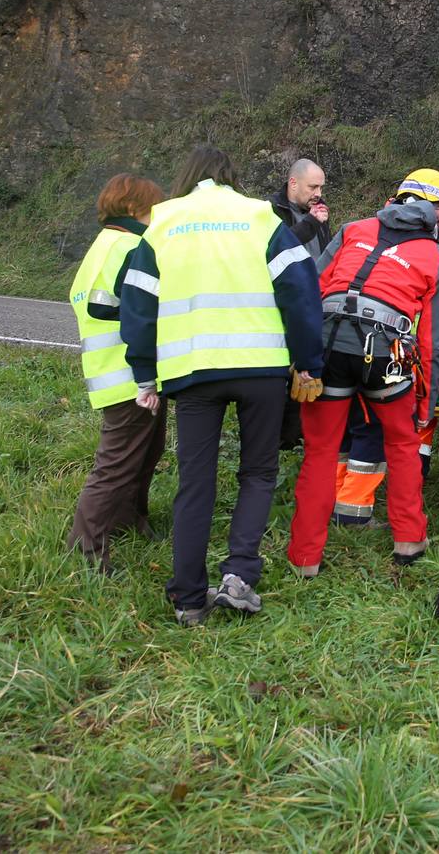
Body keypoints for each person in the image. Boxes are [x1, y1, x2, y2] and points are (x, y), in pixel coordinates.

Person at [119, 144, 324, 626]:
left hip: (192, 373)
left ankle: (189, 599)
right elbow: (300, 292)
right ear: (231, 177)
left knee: (195, 483)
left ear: (186, 177)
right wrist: (308, 362)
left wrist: (144, 374)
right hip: (261, 370)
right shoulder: (260, 218)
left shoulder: (163, 223)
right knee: (256, 473)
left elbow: (138, 306)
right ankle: (239, 577)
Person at [287, 168, 439, 576]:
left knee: (322, 451)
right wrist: (426, 405)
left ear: (393, 202)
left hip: (328, 346)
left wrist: (301, 358)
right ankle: (409, 541)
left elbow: (311, 288)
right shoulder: (436, 258)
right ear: (436, 215)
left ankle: (305, 558)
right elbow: (432, 342)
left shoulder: (351, 229)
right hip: (383, 352)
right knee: (402, 445)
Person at [67, 173, 168, 573]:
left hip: (117, 371)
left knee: (146, 451)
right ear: (131, 207)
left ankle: (128, 521)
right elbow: (107, 306)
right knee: (115, 466)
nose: (156, 214)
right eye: (151, 206)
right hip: (127, 373)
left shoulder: (104, 243)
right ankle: (86, 551)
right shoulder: (130, 245)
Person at [270, 158, 331, 450]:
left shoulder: (317, 212)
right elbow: (276, 250)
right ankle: (280, 439)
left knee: (306, 369)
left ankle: (299, 436)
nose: (318, 192)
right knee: (284, 369)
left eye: (321, 186)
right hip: (281, 302)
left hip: (316, 297)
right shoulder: (270, 211)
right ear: (293, 183)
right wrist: (310, 224)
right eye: (312, 186)